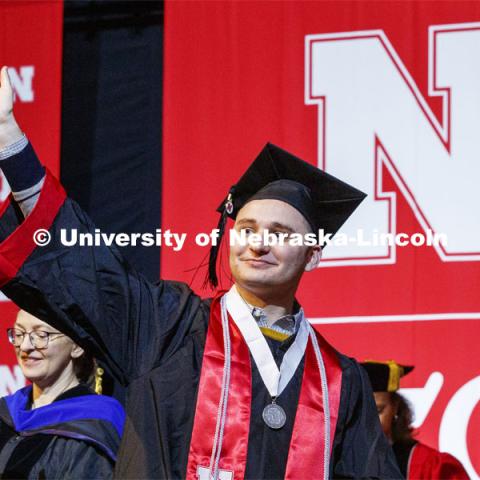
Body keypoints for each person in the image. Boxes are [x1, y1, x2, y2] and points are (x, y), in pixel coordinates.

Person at [0, 65, 401, 479]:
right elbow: (89, 268)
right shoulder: (167, 326)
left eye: (279, 234)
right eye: (246, 229)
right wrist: (11, 145)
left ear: (312, 255)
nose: (257, 243)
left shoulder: (339, 379)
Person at [0, 309, 125, 479]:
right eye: (19, 333)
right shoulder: (6, 413)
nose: (25, 346)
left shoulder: (93, 424)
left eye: (41, 335)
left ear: (77, 347)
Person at [361, 360, 469, 479]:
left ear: (395, 407)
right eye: (358, 412)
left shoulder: (428, 465)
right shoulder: (340, 462)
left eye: (378, 410)